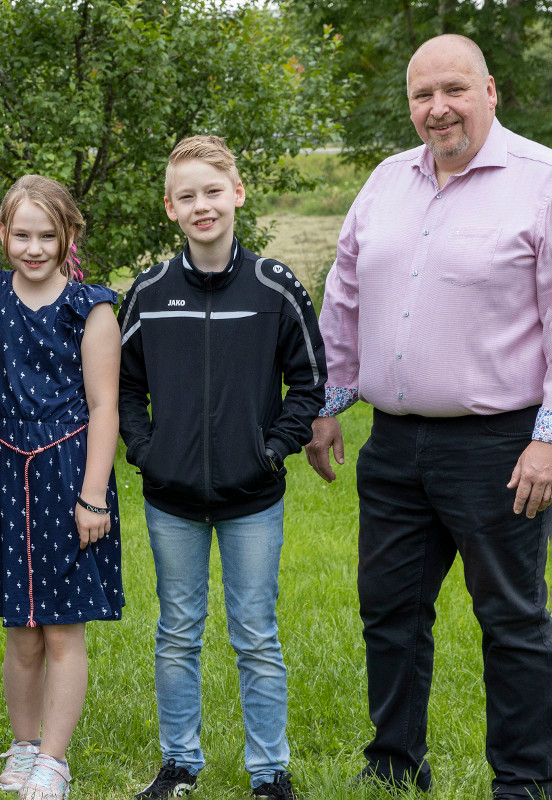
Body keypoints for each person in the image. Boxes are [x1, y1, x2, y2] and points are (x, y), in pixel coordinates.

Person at [305, 34, 552, 799]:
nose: (437, 108)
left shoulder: (540, 181)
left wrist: (548, 439)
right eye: (422, 95)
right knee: (390, 611)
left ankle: (523, 778)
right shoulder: (385, 181)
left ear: (490, 91)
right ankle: (394, 764)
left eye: (453, 89)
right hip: (395, 445)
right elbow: (344, 298)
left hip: (501, 445)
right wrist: (323, 403)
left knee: (510, 619)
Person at [117, 136, 323, 800]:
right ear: (170, 208)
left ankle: (270, 773)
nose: (202, 205)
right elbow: (122, 386)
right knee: (177, 632)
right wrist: (148, 450)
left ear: (237, 193)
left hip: (253, 497)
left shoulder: (275, 286)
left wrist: (271, 449)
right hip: (171, 498)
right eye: (187, 196)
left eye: (213, 191)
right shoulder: (149, 291)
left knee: (256, 635)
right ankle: (180, 763)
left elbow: (309, 383)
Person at [0, 174, 124, 800]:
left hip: (67, 469)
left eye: (46, 235)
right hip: (3, 469)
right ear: (2, 235)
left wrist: (93, 495)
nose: (32, 247)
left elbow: (105, 407)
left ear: (67, 235)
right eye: (21, 234)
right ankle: (24, 746)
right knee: (19, 629)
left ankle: (55, 758)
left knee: (62, 627)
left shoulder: (91, 307)